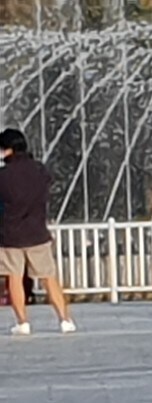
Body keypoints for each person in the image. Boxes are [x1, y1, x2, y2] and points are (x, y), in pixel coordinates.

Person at [0, 129, 76, 335]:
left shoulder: (3, 176)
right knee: (49, 277)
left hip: (10, 235)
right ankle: (65, 319)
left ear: (8, 150)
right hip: (37, 233)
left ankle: (23, 322)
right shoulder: (39, 170)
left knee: (14, 278)